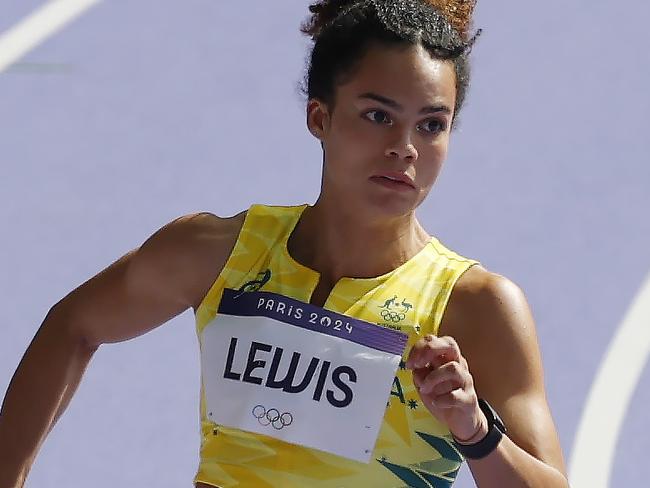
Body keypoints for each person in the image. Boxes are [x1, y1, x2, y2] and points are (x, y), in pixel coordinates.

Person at [0, 0, 569, 486]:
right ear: (319, 117)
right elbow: (72, 325)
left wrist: (475, 430)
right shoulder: (221, 253)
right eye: (378, 115)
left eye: (431, 124)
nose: (405, 147)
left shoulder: (474, 306)